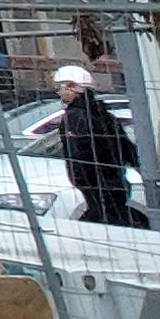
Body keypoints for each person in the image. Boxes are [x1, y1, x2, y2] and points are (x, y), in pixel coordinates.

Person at [54, 65, 140, 227]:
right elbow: (125, 147)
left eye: (61, 87)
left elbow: (80, 155)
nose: (59, 92)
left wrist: (81, 180)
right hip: (115, 182)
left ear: (72, 87)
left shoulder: (75, 117)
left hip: (96, 186)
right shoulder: (103, 114)